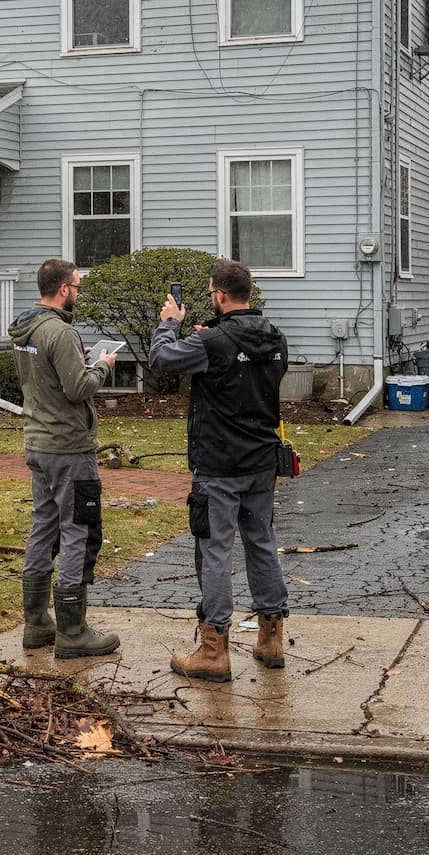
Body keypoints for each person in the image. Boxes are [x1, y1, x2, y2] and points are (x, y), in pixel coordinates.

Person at [147, 258, 289, 682]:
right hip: (263, 460)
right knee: (262, 541)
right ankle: (271, 637)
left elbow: (160, 358)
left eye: (211, 293)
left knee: (215, 549)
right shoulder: (275, 337)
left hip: (219, 464)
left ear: (220, 296)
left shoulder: (213, 343)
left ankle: (214, 649)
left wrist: (169, 324)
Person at [9, 258, 120, 659]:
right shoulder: (60, 331)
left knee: (44, 525)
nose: (78, 292)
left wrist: (79, 358)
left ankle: (37, 624)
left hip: (38, 442)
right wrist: (103, 367)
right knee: (76, 529)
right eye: (76, 286)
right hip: (69, 448)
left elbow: (50, 376)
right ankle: (72, 631)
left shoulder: (27, 330)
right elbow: (78, 389)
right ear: (62, 289)